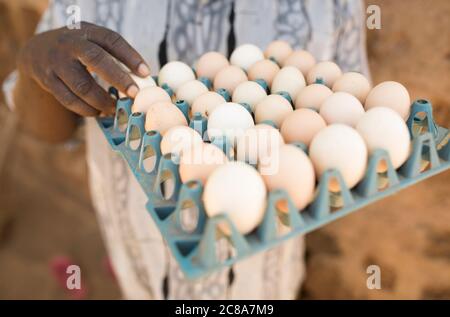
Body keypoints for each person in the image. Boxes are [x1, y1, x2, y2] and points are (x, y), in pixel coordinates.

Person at [3, 0, 370, 299]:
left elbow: (347, 116)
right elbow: (51, 132)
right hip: (139, 250)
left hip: (262, 277)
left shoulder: (328, 7)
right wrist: (33, 66)